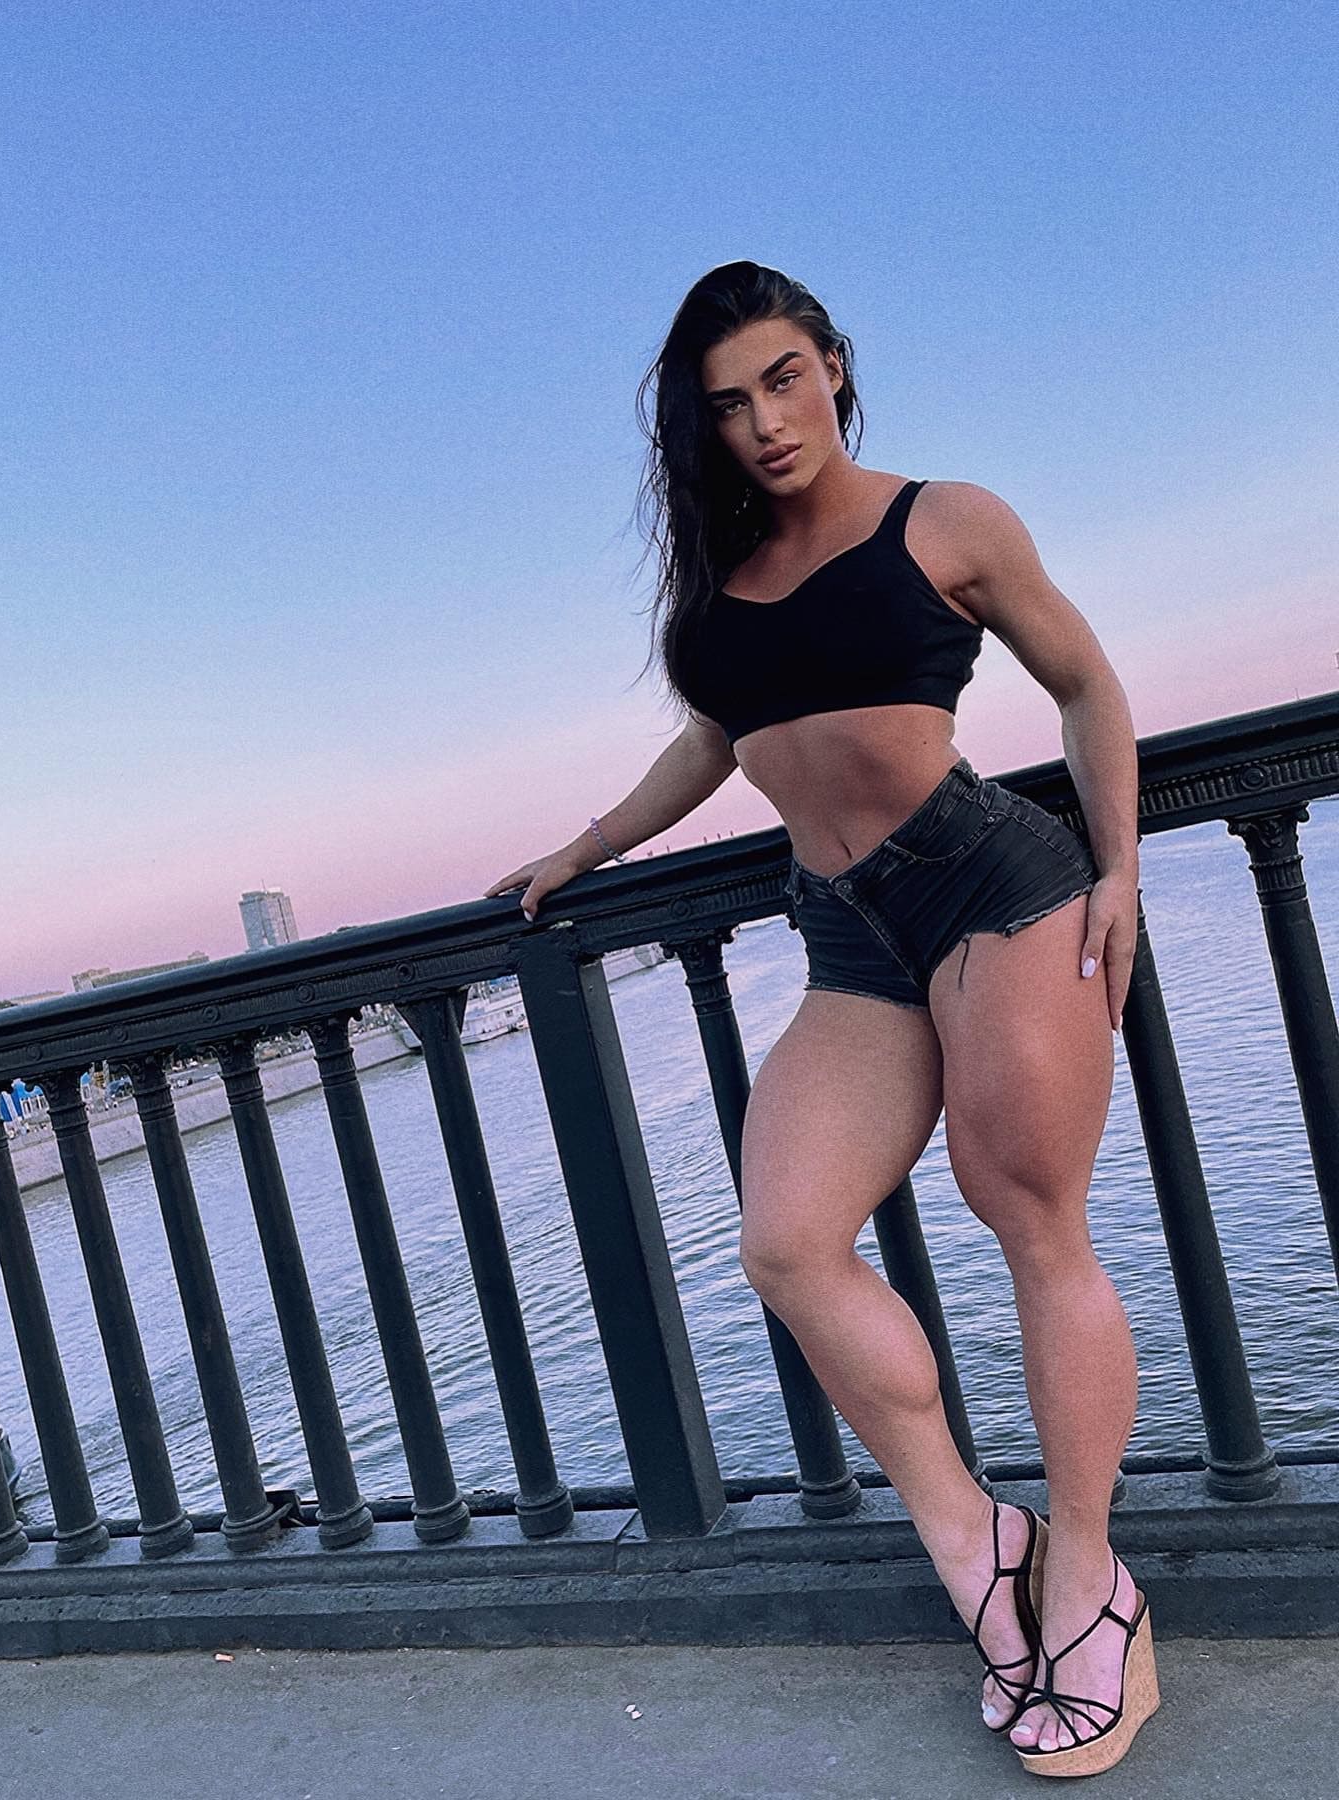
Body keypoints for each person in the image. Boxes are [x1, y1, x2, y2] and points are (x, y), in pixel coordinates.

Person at [483, 261, 1153, 1777]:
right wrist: (584, 849)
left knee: (1029, 1218)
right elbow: (716, 745)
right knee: (786, 1242)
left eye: (785, 379)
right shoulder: (720, 591)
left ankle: (1088, 1576)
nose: (766, 422)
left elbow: (1087, 685)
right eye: (729, 404)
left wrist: (1118, 867)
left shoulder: (946, 520)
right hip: (850, 935)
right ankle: (974, 1539)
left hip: (992, 889)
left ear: (836, 366)